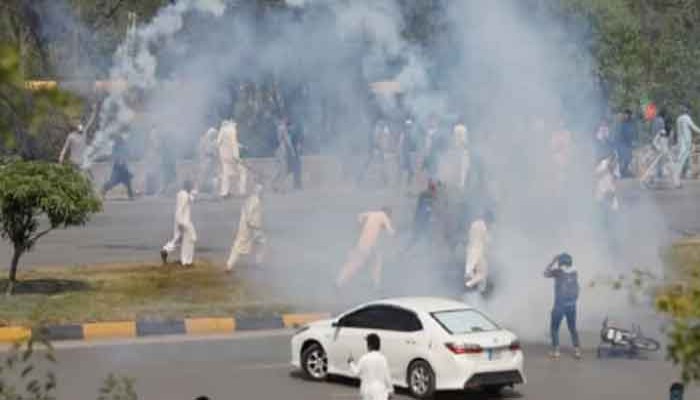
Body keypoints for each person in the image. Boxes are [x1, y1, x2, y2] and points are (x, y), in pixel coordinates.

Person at [336, 207, 395, 288]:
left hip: (362, 244)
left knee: (372, 260)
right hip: (368, 247)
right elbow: (390, 232)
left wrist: (360, 225)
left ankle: (339, 281)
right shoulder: (383, 216)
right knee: (365, 264)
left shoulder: (372, 213)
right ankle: (375, 286)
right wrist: (396, 231)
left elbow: (359, 216)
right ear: (388, 214)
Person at [544, 253, 581, 360]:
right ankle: (577, 350)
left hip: (559, 306)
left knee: (554, 328)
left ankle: (556, 351)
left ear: (560, 262)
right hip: (572, 305)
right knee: (572, 328)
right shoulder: (575, 272)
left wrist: (553, 261)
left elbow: (545, 273)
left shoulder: (558, 272)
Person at [226, 184, 266, 272]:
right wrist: (251, 224)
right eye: (261, 191)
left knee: (261, 243)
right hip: (249, 228)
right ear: (258, 191)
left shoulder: (252, 199)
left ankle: (258, 262)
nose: (263, 193)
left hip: (252, 227)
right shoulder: (254, 201)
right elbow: (248, 213)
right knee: (238, 246)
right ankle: (229, 266)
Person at [160, 180, 197, 267]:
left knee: (178, 239)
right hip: (183, 222)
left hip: (180, 221)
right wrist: (181, 222)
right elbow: (180, 209)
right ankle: (186, 261)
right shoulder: (184, 195)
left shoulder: (182, 194)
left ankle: (165, 250)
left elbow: (191, 198)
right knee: (191, 238)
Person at [348, 333, 394, 400]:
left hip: (367, 390)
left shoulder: (364, 358)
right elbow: (387, 376)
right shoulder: (383, 359)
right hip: (380, 391)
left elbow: (356, 372)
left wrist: (351, 363)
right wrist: (391, 389)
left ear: (369, 346)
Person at [464, 210, 494, 293]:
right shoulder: (482, 226)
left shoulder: (474, 224)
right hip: (478, 252)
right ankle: (469, 285)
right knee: (482, 273)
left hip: (472, 250)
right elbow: (487, 241)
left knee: (474, 273)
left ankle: (474, 288)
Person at [217, 120, 247, 198]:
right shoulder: (232, 130)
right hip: (233, 157)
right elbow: (233, 143)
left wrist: (241, 146)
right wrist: (236, 157)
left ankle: (224, 192)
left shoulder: (222, 131)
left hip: (224, 157)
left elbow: (220, 144)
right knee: (243, 171)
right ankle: (242, 191)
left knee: (225, 175)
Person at [674, 104, 700, 188]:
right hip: (685, 143)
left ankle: (683, 176)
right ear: (688, 110)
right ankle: (677, 180)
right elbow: (693, 127)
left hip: (680, 143)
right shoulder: (686, 118)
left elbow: (678, 132)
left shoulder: (678, 119)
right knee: (681, 162)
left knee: (682, 160)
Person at [101, 134, 134, 200]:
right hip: (117, 168)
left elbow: (128, 155)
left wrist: (124, 161)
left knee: (127, 182)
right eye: (117, 140)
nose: (118, 141)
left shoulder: (124, 147)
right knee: (112, 182)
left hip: (123, 168)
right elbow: (114, 156)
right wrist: (118, 160)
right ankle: (103, 191)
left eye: (119, 140)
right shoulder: (115, 147)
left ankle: (131, 195)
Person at [271, 118, 295, 192]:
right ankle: (282, 188)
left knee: (278, 169)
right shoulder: (283, 129)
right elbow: (288, 141)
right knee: (283, 170)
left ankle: (273, 184)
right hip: (281, 150)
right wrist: (292, 151)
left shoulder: (279, 127)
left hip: (277, 151)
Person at [196, 127, 219, 194]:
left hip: (211, 161)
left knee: (213, 176)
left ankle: (213, 191)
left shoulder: (214, 142)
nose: (214, 136)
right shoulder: (204, 140)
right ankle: (197, 190)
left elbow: (216, 152)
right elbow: (202, 151)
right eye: (213, 134)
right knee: (202, 175)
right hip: (206, 160)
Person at [616, 110, 636, 177]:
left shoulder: (631, 123)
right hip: (622, 143)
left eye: (628, 115)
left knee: (629, 158)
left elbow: (632, 132)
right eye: (626, 114)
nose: (626, 116)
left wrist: (633, 140)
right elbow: (620, 133)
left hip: (628, 143)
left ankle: (624, 171)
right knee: (622, 158)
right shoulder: (622, 123)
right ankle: (622, 171)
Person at [453, 120, 470, 190]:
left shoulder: (455, 128)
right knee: (463, 168)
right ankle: (461, 185)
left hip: (458, 150)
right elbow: (464, 141)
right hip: (462, 150)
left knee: (459, 168)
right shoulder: (464, 129)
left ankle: (460, 185)